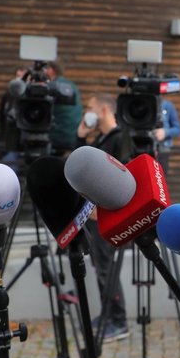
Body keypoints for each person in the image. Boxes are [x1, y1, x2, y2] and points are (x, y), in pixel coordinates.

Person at [78, 93, 130, 343]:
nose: (87, 112)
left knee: (107, 269)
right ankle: (107, 314)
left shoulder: (120, 139)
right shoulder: (101, 139)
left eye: (90, 108)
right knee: (100, 268)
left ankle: (119, 321)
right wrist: (80, 137)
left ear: (105, 110)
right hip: (94, 215)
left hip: (106, 216)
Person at [42, 61, 83, 157]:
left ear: (51, 70)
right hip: (73, 136)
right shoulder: (71, 85)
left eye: (45, 69)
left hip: (57, 137)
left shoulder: (52, 88)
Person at [154, 96, 180, 174]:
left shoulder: (167, 105)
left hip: (162, 149)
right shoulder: (140, 104)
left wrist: (165, 132)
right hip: (142, 147)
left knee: (160, 179)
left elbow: (177, 129)